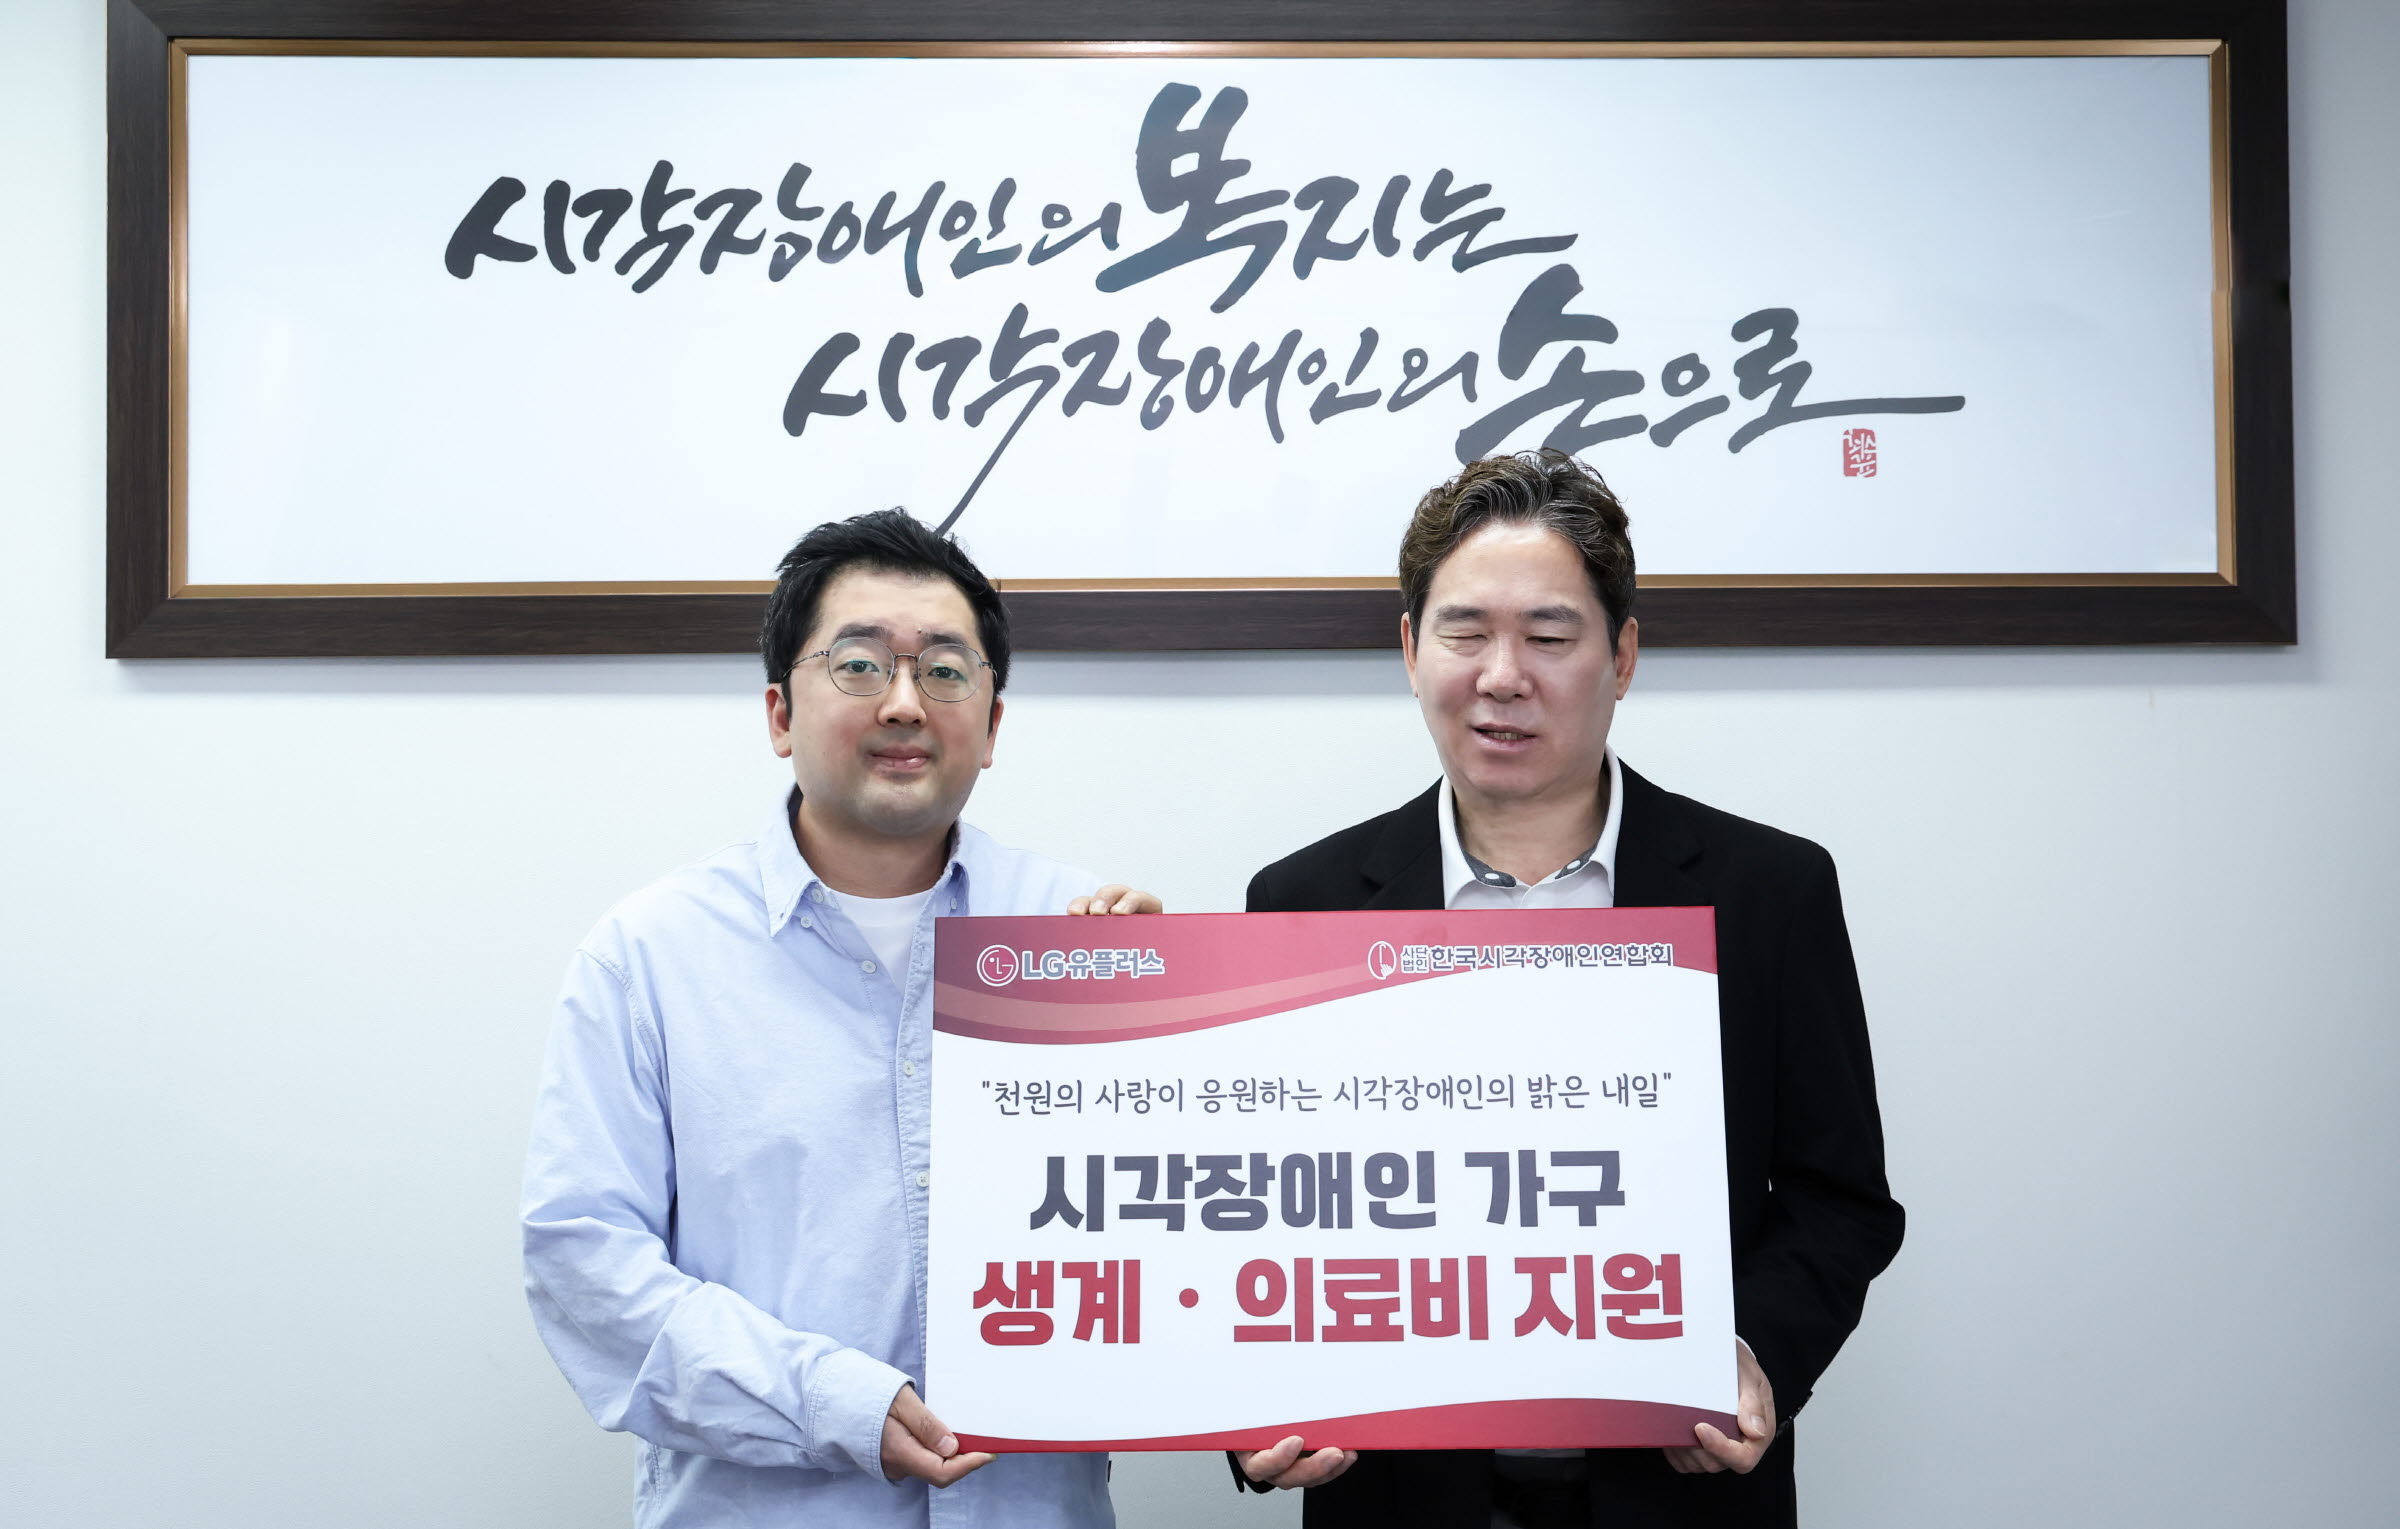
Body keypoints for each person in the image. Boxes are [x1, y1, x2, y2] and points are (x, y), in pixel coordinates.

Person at [1231, 450, 1904, 1529]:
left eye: (1549, 636)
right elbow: (1254, 1209)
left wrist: (1751, 1351)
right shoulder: (1303, 902)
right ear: (1409, 649)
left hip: (1680, 1498)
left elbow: (1841, 1198)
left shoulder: (1768, 890)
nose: (1503, 676)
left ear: (1622, 655)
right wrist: (1255, 1408)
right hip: (1402, 1500)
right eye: (1464, 632)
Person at [523, 509, 1155, 1528]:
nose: (905, 701)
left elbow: (1177, 1235)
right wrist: (830, 1399)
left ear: (993, 724)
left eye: (945, 670)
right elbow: (583, 1265)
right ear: (779, 713)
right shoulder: (649, 957)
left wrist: (1166, 1031)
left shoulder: (1082, 933)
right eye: (859, 664)